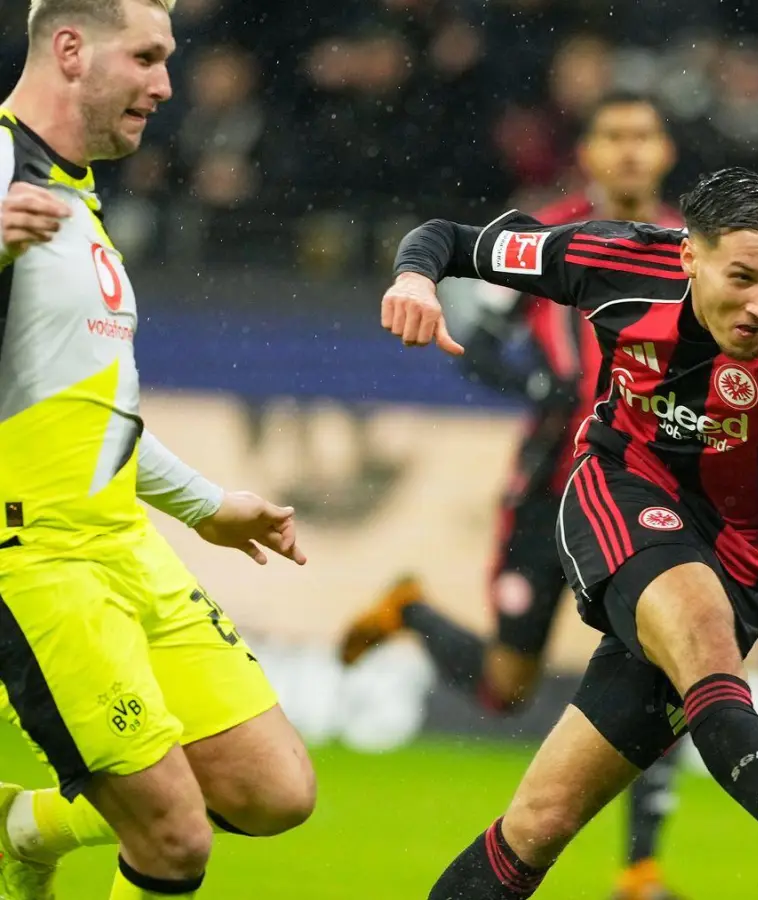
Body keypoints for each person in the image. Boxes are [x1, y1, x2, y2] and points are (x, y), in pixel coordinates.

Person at [381, 166, 758, 900]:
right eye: (741, 278)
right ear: (688, 256)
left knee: (538, 822)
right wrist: (414, 280)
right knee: (701, 636)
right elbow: (447, 240)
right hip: (622, 490)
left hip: (743, 561)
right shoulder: (614, 260)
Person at [338, 91, 689, 900]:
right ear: (590, 153)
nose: (631, 151)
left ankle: (640, 867)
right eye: (614, 136)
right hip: (549, 486)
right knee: (506, 689)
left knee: (665, 658)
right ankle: (412, 611)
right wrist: (539, 378)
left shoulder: (692, 246)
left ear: (665, 152)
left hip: (647, 488)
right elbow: (472, 328)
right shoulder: (541, 238)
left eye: (645, 135)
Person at [0, 3, 316, 899]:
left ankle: (24, 827)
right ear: (70, 49)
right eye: (145, 57)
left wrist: (206, 505)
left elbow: (93, 412)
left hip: (120, 547)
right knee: (176, 840)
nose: (166, 85)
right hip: (31, 560)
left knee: (273, 790)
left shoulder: (76, 200)